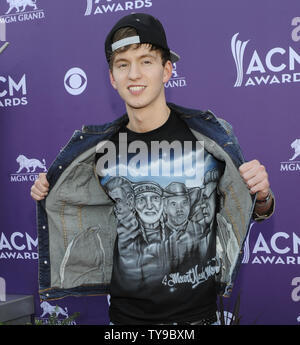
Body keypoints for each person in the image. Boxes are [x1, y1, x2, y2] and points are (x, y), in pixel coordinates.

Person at [30, 13, 274, 325]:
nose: (134, 74)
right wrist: (46, 189)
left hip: (197, 319)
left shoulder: (210, 138)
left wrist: (262, 195)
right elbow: (75, 206)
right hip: (124, 321)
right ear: (112, 78)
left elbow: (251, 208)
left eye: (146, 61)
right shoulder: (98, 150)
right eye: (123, 64)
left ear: (167, 70)